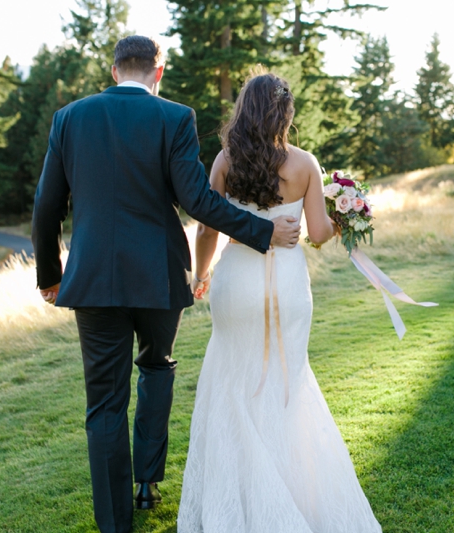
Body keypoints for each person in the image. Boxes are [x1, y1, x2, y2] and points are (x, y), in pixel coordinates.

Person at [31, 37, 301, 533]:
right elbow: (197, 200)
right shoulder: (175, 117)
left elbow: (47, 205)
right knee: (156, 368)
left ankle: (116, 524)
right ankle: (147, 483)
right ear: (159, 70)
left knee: (105, 402)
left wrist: (50, 275)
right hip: (158, 275)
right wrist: (263, 231)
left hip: (92, 282)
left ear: (114, 71)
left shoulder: (69, 118)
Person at [177, 70, 382, 533]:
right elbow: (318, 233)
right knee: (287, 383)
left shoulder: (226, 160)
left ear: (244, 111)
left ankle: (240, 503)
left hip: (237, 284)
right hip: (288, 289)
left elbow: (208, 227)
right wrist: (342, 212)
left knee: (233, 382)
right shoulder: (305, 164)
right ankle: (293, 494)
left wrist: (202, 274)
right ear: (286, 114)